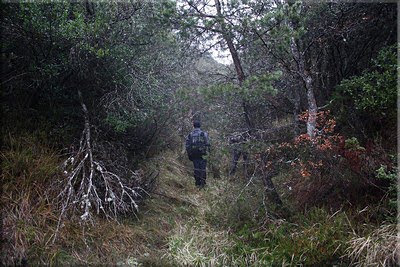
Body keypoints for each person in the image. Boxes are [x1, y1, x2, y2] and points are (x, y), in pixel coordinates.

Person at [185, 120, 210, 188]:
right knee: (203, 168)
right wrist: (208, 155)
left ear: (193, 126)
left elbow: (187, 145)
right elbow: (208, 144)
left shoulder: (190, 134)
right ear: (200, 126)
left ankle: (197, 183)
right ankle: (203, 183)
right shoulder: (204, 133)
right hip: (203, 154)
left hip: (194, 154)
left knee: (196, 168)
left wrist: (189, 155)